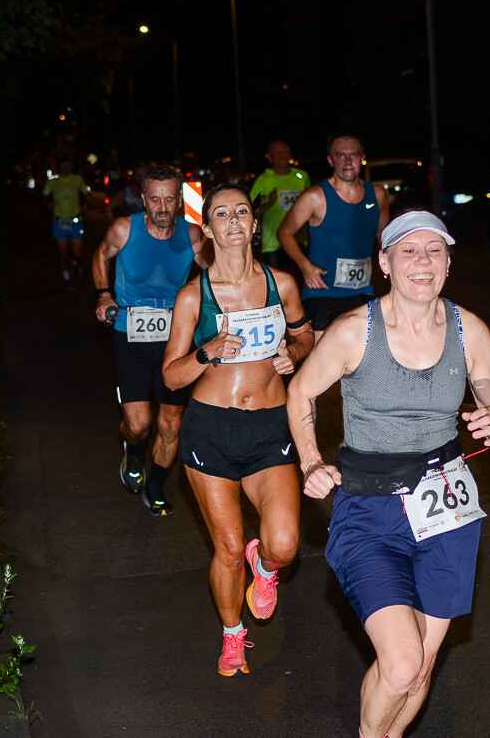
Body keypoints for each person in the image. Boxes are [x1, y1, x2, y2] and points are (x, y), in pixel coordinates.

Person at [286, 210, 490, 738]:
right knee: (403, 662)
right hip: (370, 510)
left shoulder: (469, 329)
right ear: (384, 263)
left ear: (449, 262)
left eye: (434, 250)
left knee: (422, 668)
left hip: (447, 508)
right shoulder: (352, 332)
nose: (422, 261)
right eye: (408, 251)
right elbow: (300, 391)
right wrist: (311, 461)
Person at [162, 184, 314, 676]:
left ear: (254, 225)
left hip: (271, 427)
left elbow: (304, 333)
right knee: (226, 547)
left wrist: (297, 352)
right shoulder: (194, 296)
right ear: (206, 230)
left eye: (241, 212)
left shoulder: (282, 284)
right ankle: (232, 634)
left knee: (285, 543)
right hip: (210, 430)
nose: (232, 220)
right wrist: (208, 352)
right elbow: (170, 375)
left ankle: (265, 568)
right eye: (220, 214)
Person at [93, 165, 207, 515]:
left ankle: (155, 486)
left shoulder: (191, 236)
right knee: (138, 425)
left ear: (179, 201)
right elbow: (100, 256)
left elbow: (215, 272)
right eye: (154, 199)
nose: (161, 207)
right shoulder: (124, 228)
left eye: (169, 199)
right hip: (130, 335)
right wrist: (103, 294)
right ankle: (135, 453)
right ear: (143, 199)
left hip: (176, 340)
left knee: (171, 423)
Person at [277, 131, 390, 335]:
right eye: (340, 155)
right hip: (322, 294)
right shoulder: (314, 196)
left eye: (353, 154)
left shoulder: (379, 195)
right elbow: (284, 232)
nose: (347, 161)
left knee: (364, 361)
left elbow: (385, 239)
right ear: (331, 160)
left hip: (363, 292)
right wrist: (305, 266)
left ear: (362, 158)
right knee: (325, 363)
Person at [250, 139, 311, 271]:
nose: (281, 154)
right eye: (277, 152)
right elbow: (250, 212)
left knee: (299, 280)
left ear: (290, 154)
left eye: (284, 151)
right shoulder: (263, 180)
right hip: (273, 242)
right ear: (270, 158)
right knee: (277, 282)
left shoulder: (302, 177)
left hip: (298, 238)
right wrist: (269, 204)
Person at [43, 159, 90, 290]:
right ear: (58, 167)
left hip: (75, 220)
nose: (65, 168)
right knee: (63, 252)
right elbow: (44, 195)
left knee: (77, 252)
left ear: (71, 166)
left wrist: (85, 204)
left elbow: (86, 193)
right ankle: (66, 279)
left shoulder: (77, 179)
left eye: (68, 165)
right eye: (62, 165)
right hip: (59, 221)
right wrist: (48, 203)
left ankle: (75, 262)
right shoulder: (53, 181)